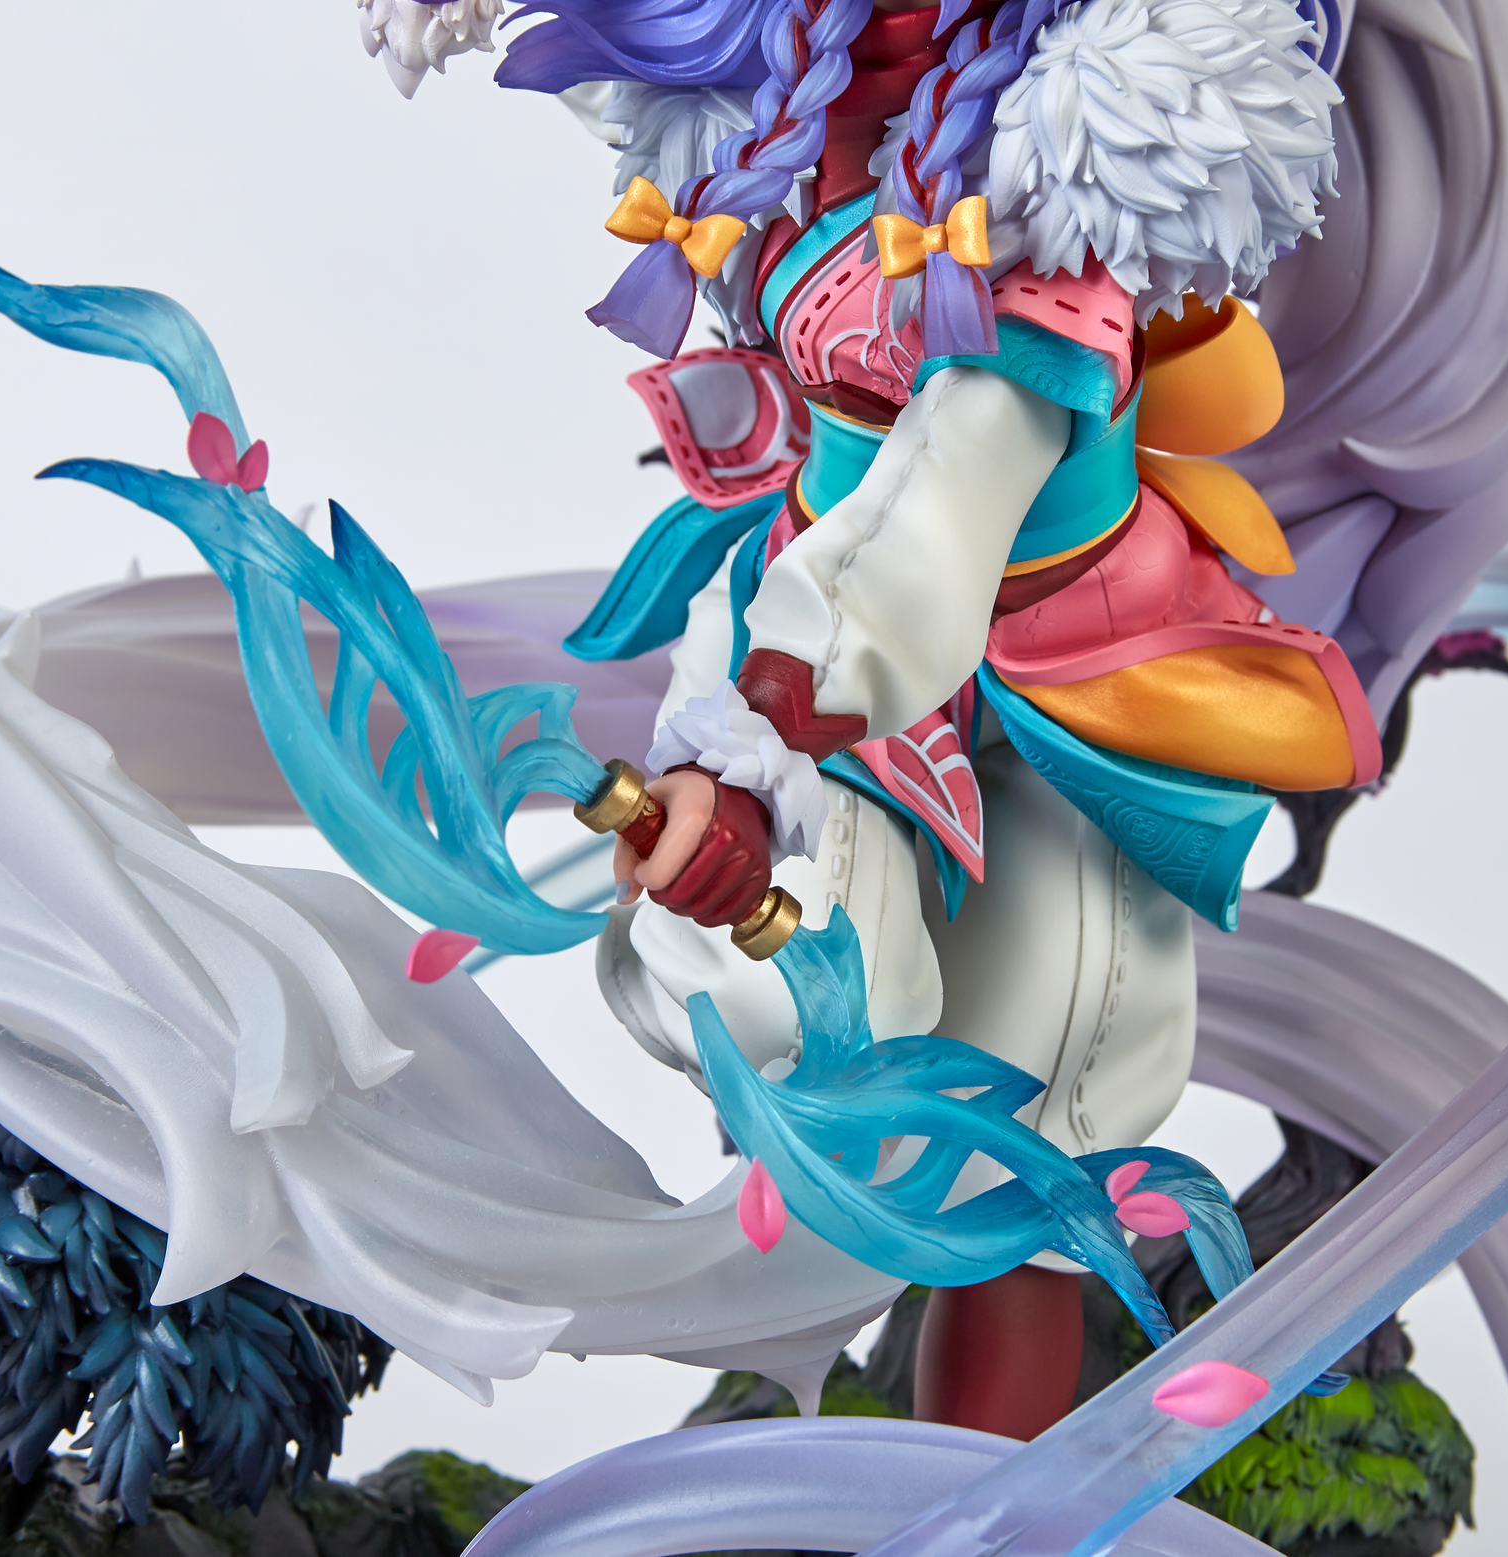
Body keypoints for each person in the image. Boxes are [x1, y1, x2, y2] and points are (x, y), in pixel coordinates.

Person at [483, 0, 1378, 1437]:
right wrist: (738, 756)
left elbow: (952, 486)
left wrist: (771, 727)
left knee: (1032, 1139)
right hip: (825, 626)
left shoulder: (1068, 187)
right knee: (797, 1012)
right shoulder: (768, 143)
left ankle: (982, 1504)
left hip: (1062, 682)